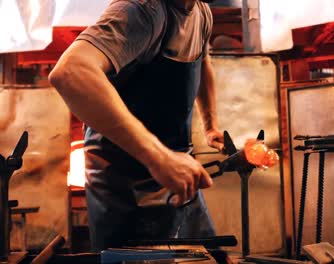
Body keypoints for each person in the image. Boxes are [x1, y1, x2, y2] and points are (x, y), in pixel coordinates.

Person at [49, 0, 223, 251]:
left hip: (174, 173)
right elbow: (70, 72)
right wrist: (160, 158)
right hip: (126, 186)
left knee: (209, 252)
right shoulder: (142, 11)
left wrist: (210, 125)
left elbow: (203, 62)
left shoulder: (201, 12)